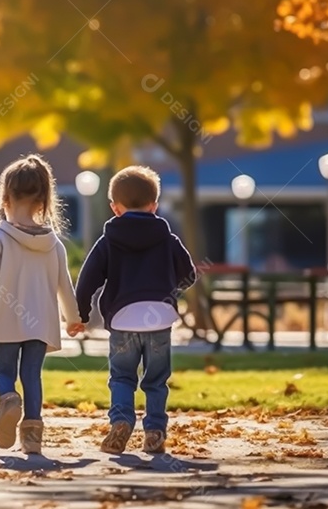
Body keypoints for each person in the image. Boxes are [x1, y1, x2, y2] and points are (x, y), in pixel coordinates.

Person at [0, 155, 84, 454]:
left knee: (4, 372)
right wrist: (73, 317)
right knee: (32, 375)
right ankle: (32, 434)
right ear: (44, 200)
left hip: (5, 319)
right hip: (41, 322)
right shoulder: (54, 243)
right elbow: (64, 285)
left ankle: (8, 399)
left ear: (4, 197)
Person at [75, 165, 196, 455]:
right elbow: (189, 275)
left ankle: (121, 421)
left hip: (122, 318)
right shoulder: (168, 240)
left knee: (122, 377)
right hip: (160, 317)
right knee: (155, 380)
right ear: (154, 205)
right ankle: (154, 430)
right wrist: (167, 289)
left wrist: (80, 315)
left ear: (114, 207)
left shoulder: (107, 241)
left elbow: (87, 281)